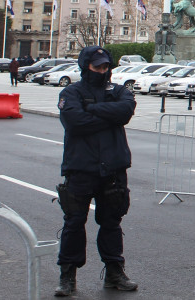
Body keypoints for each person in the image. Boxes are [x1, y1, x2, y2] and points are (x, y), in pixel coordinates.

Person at [54, 46, 138, 296]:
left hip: (113, 167)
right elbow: (74, 122)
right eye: (97, 66)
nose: (103, 71)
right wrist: (108, 117)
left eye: (106, 67)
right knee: (74, 222)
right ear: (85, 66)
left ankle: (115, 271)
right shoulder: (71, 92)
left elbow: (125, 111)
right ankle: (67, 275)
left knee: (112, 222)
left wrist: (91, 109)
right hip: (81, 167)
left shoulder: (119, 91)